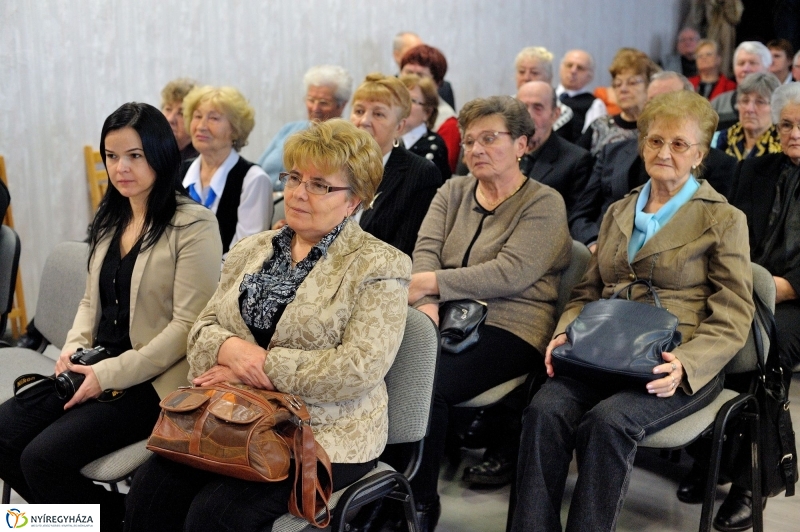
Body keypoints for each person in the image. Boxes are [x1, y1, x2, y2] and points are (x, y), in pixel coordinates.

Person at [123, 118, 411, 532]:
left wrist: (259, 366)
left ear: (355, 200)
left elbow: (358, 369)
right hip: (233, 415)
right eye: (294, 178)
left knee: (215, 516)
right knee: (151, 492)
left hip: (323, 430)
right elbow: (201, 331)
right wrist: (231, 351)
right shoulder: (252, 248)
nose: (297, 193)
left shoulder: (380, 265)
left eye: (319, 185)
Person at [511, 89, 755, 532]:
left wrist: (687, 363)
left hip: (674, 360)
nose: (664, 152)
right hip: (602, 349)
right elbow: (587, 290)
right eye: (656, 141)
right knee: (543, 411)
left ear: (699, 155)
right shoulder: (619, 210)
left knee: (609, 422)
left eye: (679, 144)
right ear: (642, 145)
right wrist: (567, 332)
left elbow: (735, 313)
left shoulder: (723, 219)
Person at [0, 102, 222, 532]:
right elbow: (89, 302)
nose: (121, 167)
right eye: (112, 155)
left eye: (134, 155)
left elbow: (186, 328)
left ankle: (59, 523)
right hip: (95, 366)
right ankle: (88, 522)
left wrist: (108, 373)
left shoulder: (193, 225)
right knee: (5, 432)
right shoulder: (111, 216)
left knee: (41, 459)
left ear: (160, 154)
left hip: (152, 380)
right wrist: (71, 350)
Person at [407, 95, 571, 531]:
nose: (475, 150)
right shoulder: (453, 189)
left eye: (490, 139)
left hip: (513, 323)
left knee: (427, 385)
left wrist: (429, 285)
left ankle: (418, 507)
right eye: (470, 140)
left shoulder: (544, 202)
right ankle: (381, 490)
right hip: (441, 314)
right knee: (383, 366)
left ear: (522, 144)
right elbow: (426, 250)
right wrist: (426, 305)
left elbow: (512, 273)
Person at [706, 82, 800, 532]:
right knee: (706, 332)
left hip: (794, 299)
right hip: (747, 287)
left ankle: (749, 483)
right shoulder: (757, 170)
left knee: (764, 352)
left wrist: (781, 288)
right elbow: (730, 239)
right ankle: (706, 459)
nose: (794, 132)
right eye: (786, 124)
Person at [570, 71, 737, 248]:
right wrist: (593, 243)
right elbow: (580, 214)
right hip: (604, 248)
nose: (660, 109)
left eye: (669, 100)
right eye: (652, 102)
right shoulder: (612, 152)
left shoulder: (720, 164)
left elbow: (713, 232)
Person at [350, 73, 442, 257]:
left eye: (378, 114)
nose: (364, 121)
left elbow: (401, 252)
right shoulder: (336, 165)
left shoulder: (420, 174)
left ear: (399, 127)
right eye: (359, 111)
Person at [181, 86, 272, 255]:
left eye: (213, 118)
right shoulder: (177, 173)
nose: (201, 126)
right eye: (197, 116)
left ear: (235, 129)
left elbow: (245, 256)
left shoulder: (253, 180)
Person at [256, 65, 353, 191]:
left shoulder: (344, 142)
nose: (315, 108)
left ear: (342, 105)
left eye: (323, 102)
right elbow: (257, 169)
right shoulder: (289, 129)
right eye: (311, 100)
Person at [517, 81, 593, 216]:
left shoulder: (575, 160)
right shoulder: (502, 153)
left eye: (538, 108)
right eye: (522, 108)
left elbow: (572, 220)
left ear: (555, 114)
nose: (528, 116)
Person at [578, 49, 660, 156]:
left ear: (649, 86)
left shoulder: (657, 129)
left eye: (632, 83)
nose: (623, 89)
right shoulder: (599, 126)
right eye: (617, 84)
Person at [400, 45, 460, 172]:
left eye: (420, 75)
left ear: (437, 83)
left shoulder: (448, 123)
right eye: (408, 73)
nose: (413, 80)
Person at [713, 72, 782, 160]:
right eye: (745, 101)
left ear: (775, 107)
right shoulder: (720, 140)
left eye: (760, 102)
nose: (749, 109)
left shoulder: (784, 145)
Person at [513, 46, 575, 141]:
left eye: (534, 73)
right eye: (521, 72)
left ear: (549, 78)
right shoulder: (505, 107)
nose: (526, 78)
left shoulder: (563, 112)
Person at [400, 73, 451, 180]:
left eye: (412, 100)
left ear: (427, 112)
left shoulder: (433, 146)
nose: (403, 104)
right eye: (400, 98)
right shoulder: (388, 139)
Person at [711, 41, 772, 129]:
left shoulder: (779, 103)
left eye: (752, 63)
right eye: (741, 63)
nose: (746, 69)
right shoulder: (719, 103)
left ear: (768, 69)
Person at [392, 31, 455, 110]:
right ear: (397, 55)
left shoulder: (444, 90)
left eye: (420, 75)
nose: (418, 53)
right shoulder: (387, 88)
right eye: (409, 72)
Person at [556, 50, 609, 143]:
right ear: (561, 68)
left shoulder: (595, 104)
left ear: (590, 76)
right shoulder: (545, 95)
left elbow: (589, 142)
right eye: (569, 65)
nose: (573, 71)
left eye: (580, 68)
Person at [688, 0, 744, 78]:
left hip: (728, 40)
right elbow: (697, 19)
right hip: (709, 36)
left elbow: (734, 17)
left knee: (725, 68)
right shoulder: (707, 2)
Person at [160, 78, 199, 162]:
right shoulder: (150, 152)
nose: (170, 119)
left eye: (181, 113)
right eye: (168, 109)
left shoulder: (198, 162)